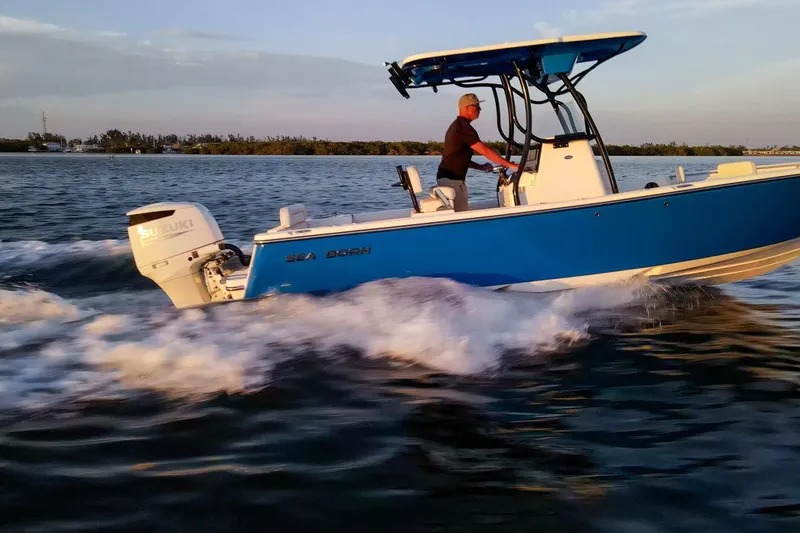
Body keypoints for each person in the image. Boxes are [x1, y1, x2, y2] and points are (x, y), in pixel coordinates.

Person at [436, 93, 519, 212]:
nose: (480, 109)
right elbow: (485, 151)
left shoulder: (458, 126)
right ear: (466, 108)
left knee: (457, 213)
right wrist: (511, 166)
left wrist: (480, 167)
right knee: (461, 216)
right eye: (476, 106)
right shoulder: (463, 127)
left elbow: (458, 157)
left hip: (447, 179)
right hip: (452, 182)